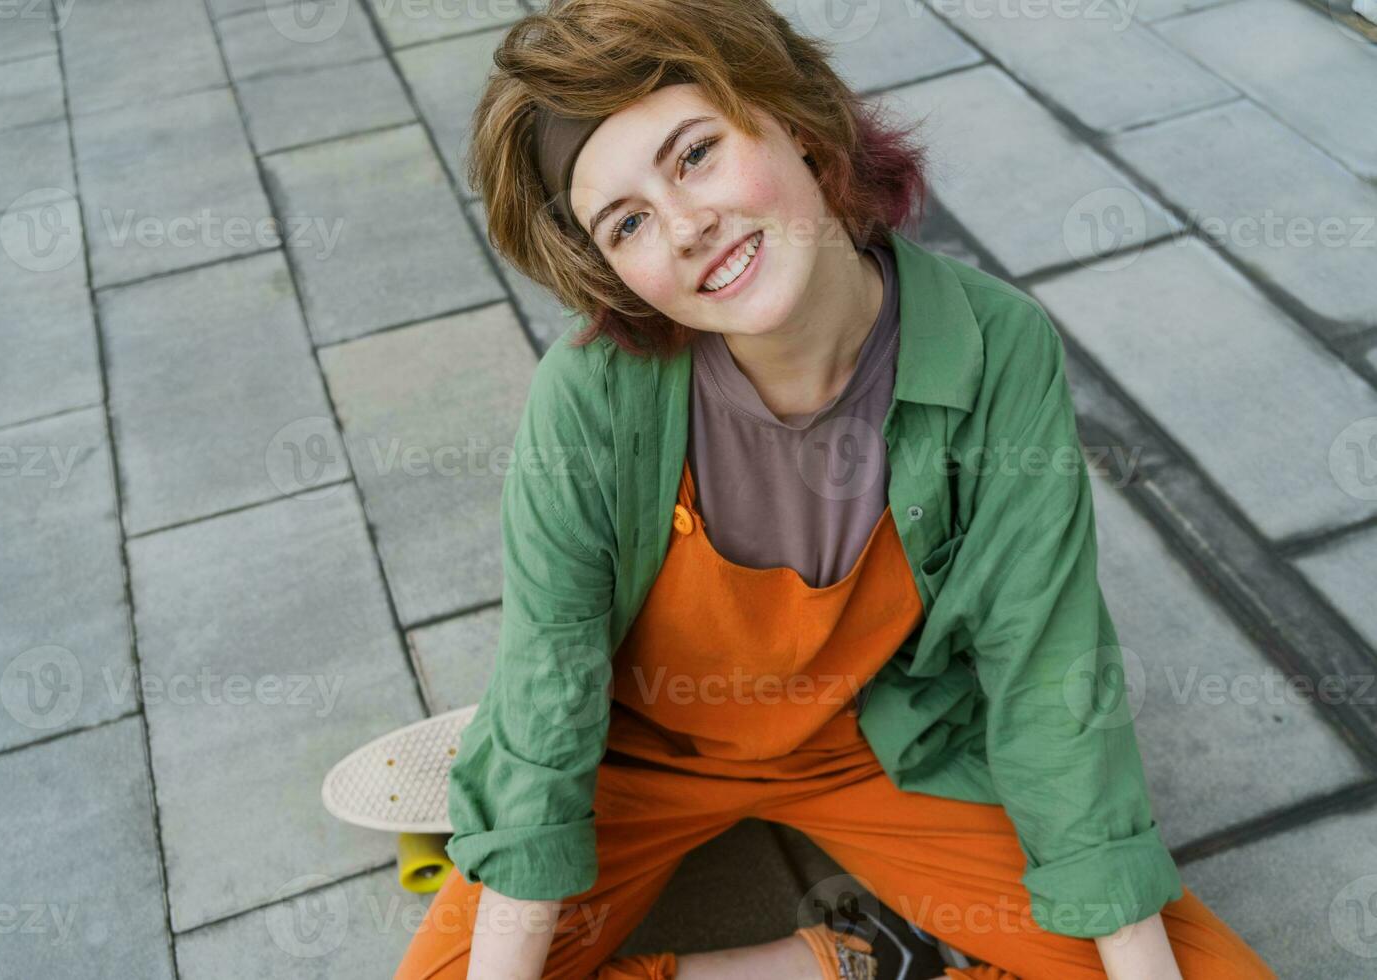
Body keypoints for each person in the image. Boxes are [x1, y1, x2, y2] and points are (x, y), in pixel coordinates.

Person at [394, 0, 1277, 977]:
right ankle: (842, 960)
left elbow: (1046, 666)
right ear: (608, 271)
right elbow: (548, 681)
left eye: (695, 155)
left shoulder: (997, 347)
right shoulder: (593, 392)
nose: (686, 228)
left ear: (799, 127)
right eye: (629, 221)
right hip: (639, 751)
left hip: (877, 744)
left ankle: (898, 938)